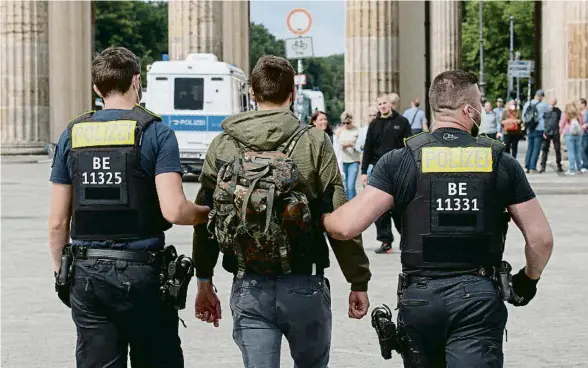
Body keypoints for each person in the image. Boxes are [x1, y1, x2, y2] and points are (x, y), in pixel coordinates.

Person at [322, 70, 553, 367]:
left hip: (420, 298)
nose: (481, 110)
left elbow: (345, 227)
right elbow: (541, 239)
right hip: (478, 299)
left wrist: (322, 214)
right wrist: (527, 281)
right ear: (468, 110)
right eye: (479, 104)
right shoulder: (499, 161)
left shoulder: (400, 160)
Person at [192, 55, 371, 368]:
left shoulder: (222, 145)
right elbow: (338, 214)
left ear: (252, 93)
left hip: (248, 282)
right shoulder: (314, 141)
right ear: (292, 94)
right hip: (305, 281)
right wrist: (358, 280)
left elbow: (207, 217)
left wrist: (204, 279)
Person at [48, 47, 210, 367]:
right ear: (137, 80)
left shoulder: (72, 135)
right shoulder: (156, 133)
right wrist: (205, 213)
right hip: (143, 273)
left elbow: (57, 222)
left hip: (88, 272)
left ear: (97, 88)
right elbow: (175, 211)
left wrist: (62, 272)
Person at [361, 93, 411, 254]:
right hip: (378, 169)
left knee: (399, 207)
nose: (382, 106)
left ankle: (407, 240)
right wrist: (363, 171)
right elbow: (367, 148)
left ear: (391, 104)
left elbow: (409, 144)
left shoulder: (402, 122)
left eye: (385, 103)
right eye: (380, 104)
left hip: (398, 168)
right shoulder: (374, 124)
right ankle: (385, 241)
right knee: (379, 208)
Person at [522, 90, 551, 173]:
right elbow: (549, 109)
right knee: (536, 148)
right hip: (539, 128)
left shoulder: (527, 104)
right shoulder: (543, 105)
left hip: (530, 129)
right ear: (541, 96)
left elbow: (524, 117)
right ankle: (532, 167)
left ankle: (527, 166)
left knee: (530, 148)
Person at [337, 111, 361, 200]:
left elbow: (361, 146)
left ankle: (352, 205)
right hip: (342, 161)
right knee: (345, 186)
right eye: (344, 123)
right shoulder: (339, 131)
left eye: (348, 122)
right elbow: (336, 144)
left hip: (354, 160)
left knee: (351, 186)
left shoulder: (357, 130)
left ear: (352, 121)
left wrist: (352, 145)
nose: (346, 125)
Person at [539, 97, 563, 173]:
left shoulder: (558, 111)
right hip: (546, 132)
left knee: (557, 149)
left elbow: (561, 120)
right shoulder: (544, 111)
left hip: (555, 132)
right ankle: (543, 166)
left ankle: (559, 165)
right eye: (551, 102)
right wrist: (542, 131)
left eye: (554, 102)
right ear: (549, 102)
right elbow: (541, 121)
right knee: (545, 149)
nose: (552, 103)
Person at [560, 103, 584, 175]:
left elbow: (561, 124)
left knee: (571, 152)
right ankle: (579, 169)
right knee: (577, 152)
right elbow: (581, 123)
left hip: (568, 134)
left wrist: (561, 132)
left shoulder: (566, 114)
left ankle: (572, 170)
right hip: (578, 134)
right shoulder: (579, 114)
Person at [355, 106, 379, 176]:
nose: (372, 117)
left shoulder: (383, 128)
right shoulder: (362, 130)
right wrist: (363, 147)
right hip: (368, 162)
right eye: (370, 115)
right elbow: (357, 146)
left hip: (380, 161)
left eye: (374, 115)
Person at [578, 98, 588, 172]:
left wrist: (586, 125)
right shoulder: (579, 113)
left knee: (583, 149)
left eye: (579, 104)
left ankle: (585, 165)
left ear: (584, 104)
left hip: (585, 132)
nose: (578, 105)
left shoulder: (586, 112)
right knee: (583, 149)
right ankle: (585, 164)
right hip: (580, 132)